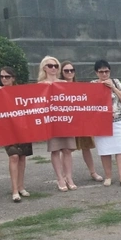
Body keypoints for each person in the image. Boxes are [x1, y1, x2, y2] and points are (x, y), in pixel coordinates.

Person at [60, 60, 103, 183]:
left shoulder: (80, 86)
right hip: (67, 121)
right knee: (66, 149)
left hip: (81, 120)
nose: (69, 72)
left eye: (72, 70)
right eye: (66, 70)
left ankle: (93, 172)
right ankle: (65, 175)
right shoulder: (58, 86)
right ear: (62, 72)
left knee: (86, 147)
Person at [39, 56, 77, 192]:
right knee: (55, 150)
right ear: (44, 68)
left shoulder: (64, 83)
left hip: (65, 120)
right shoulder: (40, 85)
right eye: (50, 66)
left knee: (67, 150)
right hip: (51, 122)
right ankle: (60, 178)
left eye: (56, 66)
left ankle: (69, 177)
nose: (53, 68)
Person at [91, 59, 121, 187]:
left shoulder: (116, 82)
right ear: (96, 73)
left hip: (118, 119)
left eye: (106, 71)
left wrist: (113, 88)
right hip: (101, 122)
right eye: (101, 72)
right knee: (105, 150)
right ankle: (108, 176)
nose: (104, 74)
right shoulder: (92, 85)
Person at [0, 67, 33, 202]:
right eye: (2, 76)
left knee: (22, 157)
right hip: (7, 129)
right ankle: (14, 190)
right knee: (13, 156)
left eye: (7, 76)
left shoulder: (21, 92)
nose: (4, 79)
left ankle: (21, 186)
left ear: (13, 78)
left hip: (22, 128)